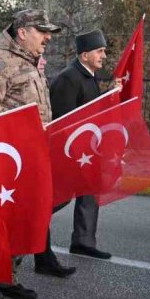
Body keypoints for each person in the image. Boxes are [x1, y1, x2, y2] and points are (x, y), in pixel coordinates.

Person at [0, 9, 70, 299]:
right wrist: (26, 125)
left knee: (23, 216)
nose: (48, 37)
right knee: (2, 219)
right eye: (42, 31)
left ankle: (7, 276)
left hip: (29, 153)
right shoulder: (0, 59)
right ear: (23, 32)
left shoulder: (29, 61)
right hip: (6, 155)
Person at [48, 29, 115, 260]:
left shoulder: (88, 76)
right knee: (60, 196)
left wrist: (110, 94)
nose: (104, 56)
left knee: (90, 190)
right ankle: (28, 220)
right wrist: (72, 151)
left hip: (87, 149)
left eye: (104, 51)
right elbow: (62, 119)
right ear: (84, 55)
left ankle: (83, 241)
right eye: (100, 51)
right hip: (69, 151)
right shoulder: (69, 78)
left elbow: (89, 108)